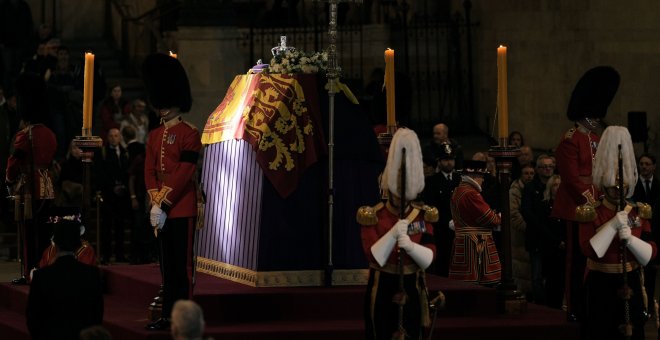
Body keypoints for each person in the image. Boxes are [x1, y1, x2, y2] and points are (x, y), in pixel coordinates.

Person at [551, 65, 620, 324]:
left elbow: (596, 174)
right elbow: (571, 180)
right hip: (576, 207)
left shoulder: (593, 138)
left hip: (592, 207)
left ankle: (587, 303)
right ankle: (573, 305)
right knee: (574, 260)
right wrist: (593, 200)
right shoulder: (569, 139)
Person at [358, 128, 437, 340]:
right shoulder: (372, 215)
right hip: (382, 286)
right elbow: (375, 256)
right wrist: (393, 233)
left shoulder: (422, 216)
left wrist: (410, 246)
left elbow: (428, 258)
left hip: (411, 286)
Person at [579, 126, 656, 340]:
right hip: (600, 283)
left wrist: (630, 239)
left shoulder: (639, 211)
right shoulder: (591, 212)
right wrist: (612, 225)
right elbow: (590, 250)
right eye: (613, 185)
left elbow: (651, 254)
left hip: (630, 280)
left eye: (622, 185)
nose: (618, 189)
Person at [143, 53, 202, 331]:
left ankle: (185, 318)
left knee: (182, 269)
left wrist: (164, 203)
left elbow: (184, 173)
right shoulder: (154, 135)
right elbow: (149, 170)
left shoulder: (190, 133)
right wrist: (155, 202)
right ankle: (167, 315)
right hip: (161, 208)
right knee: (167, 268)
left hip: (181, 206)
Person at [5, 72, 57, 285]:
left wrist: (8, 180)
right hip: (47, 186)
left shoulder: (24, 135)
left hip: (28, 189)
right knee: (45, 232)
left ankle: (30, 272)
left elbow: (13, 164)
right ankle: (44, 268)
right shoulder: (50, 134)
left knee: (29, 234)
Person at [26, 219, 104, 339]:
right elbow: (97, 316)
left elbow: (33, 318)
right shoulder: (92, 274)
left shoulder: (41, 276)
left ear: (55, 244)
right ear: (78, 244)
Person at [448, 159, 502, 286]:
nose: (483, 180)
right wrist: (498, 216)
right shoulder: (471, 194)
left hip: (463, 240)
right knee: (475, 283)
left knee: (462, 281)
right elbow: (490, 219)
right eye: (482, 177)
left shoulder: (459, 190)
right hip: (474, 244)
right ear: (475, 177)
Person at [521, 154, 559, 305]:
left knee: (552, 275)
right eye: (544, 167)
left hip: (553, 238)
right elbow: (526, 211)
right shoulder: (530, 187)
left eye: (550, 166)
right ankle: (540, 304)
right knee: (536, 275)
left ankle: (551, 302)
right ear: (538, 169)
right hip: (537, 236)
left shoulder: (557, 185)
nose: (548, 169)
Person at [421, 141, 460, 276]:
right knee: (442, 266)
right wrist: (446, 222)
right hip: (441, 231)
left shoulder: (460, 179)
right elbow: (430, 206)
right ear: (439, 161)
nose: (449, 163)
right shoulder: (431, 182)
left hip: (459, 230)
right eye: (445, 160)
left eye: (451, 159)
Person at [631, 153, 660, 319]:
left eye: (647, 164)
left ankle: (648, 307)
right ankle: (638, 306)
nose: (644, 167)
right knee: (637, 274)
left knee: (651, 276)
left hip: (653, 235)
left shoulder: (658, 185)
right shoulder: (633, 185)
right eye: (641, 164)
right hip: (637, 232)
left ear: (653, 166)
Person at [509, 163, 535, 296]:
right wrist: (530, 228)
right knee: (521, 270)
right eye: (526, 173)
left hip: (532, 235)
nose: (529, 176)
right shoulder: (515, 190)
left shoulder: (534, 188)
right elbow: (514, 214)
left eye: (532, 173)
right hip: (520, 236)